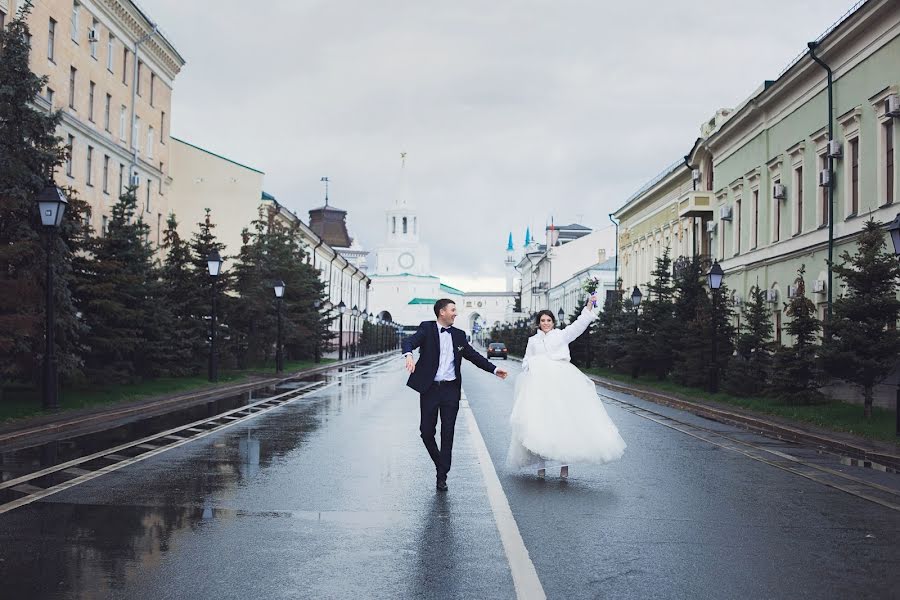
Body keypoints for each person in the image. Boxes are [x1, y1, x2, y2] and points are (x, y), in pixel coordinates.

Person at [507, 294, 626, 477]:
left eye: (548, 320)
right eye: (542, 320)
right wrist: (531, 366)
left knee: (562, 422)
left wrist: (588, 307)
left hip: (560, 384)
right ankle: (541, 465)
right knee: (540, 423)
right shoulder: (533, 341)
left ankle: (564, 465)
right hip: (539, 387)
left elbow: (579, 326)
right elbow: (526, 360)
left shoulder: (561, 336)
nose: (546, 323)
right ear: (539, 323)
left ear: (553, 322)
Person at [402, 299, 508, 491]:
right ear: (442, 312)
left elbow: (474, 356)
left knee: (448, 432)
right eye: (452, 310)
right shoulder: (427, 328)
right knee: (426, 432)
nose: (455, 313)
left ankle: (441, 476)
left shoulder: (459, 335)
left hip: (450, 390)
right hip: (430, 389)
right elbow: (409, 341)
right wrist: (409, 355)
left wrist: (494, 369)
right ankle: (440, 464)